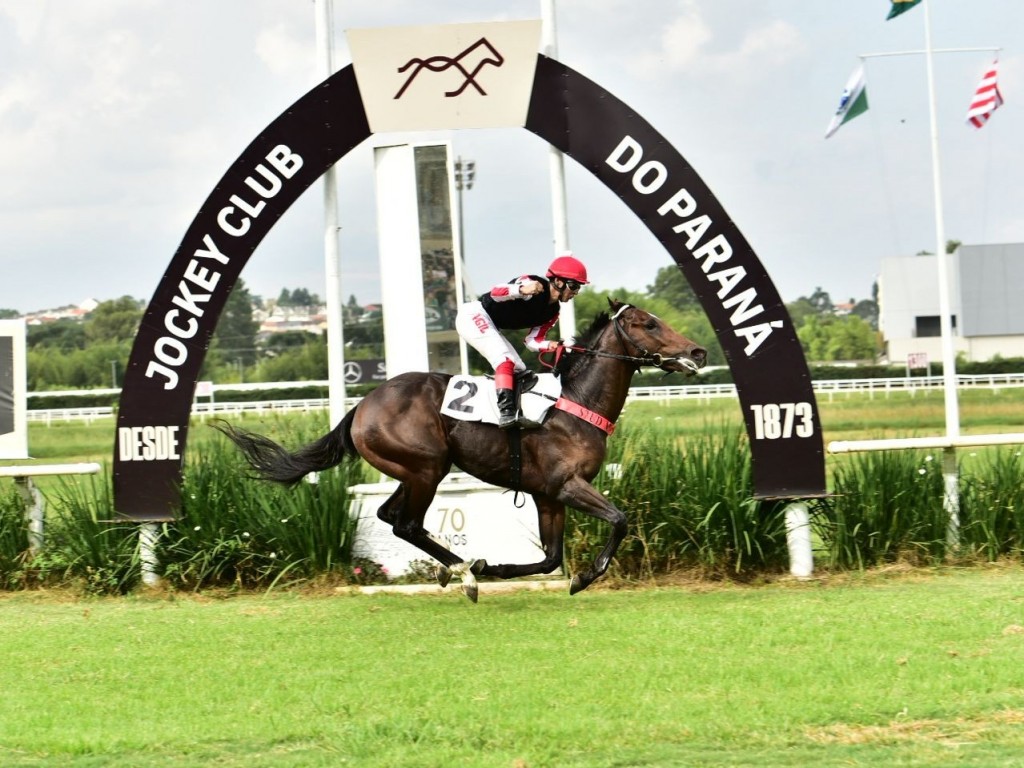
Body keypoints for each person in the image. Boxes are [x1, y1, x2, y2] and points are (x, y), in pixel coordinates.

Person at [454, 252, 589, 429]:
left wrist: (551, 345)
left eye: (578, 288)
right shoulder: (534, 284)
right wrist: (520, 290)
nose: (575, 292)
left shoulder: (552, 312)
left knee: (520, 369)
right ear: (558, 281)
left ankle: (513, 412)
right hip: (474, 315)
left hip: (490, 324)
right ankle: (506, 414)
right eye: (573, 286)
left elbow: (532, 341)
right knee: (504, 360)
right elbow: (495, 294)